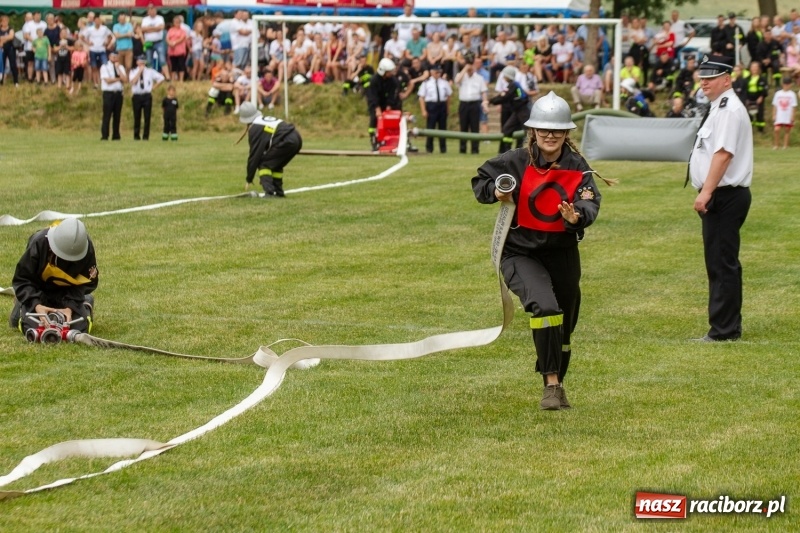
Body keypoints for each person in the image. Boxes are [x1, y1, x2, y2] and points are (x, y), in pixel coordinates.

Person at [472, 92, 608, 410]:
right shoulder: (514, 161)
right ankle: (551, 385)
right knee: (546, 310)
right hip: (519, 253)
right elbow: (481, 181)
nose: (550, 135)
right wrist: (496, 191)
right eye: (543, 129)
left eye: (557, 130)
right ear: (533, 131)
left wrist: (577, 216)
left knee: (565, 326)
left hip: (561, 253)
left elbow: (589, 199)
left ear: (566, 133)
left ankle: (558, 381)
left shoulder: (577, 168)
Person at [687, 55, 752, 342]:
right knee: (718, 261)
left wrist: (707, 191)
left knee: (721, 262)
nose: (704, 82)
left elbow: (723, 154)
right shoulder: (718, 107)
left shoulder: (727, 109)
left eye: (711, 77)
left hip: (724, 195)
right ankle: (725, 326)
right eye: (702, 77)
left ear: (727, 79)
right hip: (722, 195)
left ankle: (724, 330)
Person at [8, 218, 98, 336]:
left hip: (67, 295)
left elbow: (88, 282)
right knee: (30, 327)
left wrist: (70, 307)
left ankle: (85, 301)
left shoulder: (85, 249)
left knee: (79, 328)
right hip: (38, 292)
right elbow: (22, 280)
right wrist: (36, 304)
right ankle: (22, 303)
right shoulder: (38, 243)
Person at [239, 101, 302, 198]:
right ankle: (279, 192)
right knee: (276, 165)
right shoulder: (264, 121)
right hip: (296, 137)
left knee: (264, 164)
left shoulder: (255, 128)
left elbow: (255, 155)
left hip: (286, 141)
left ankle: (270, 193)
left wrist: (249, 178)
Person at [454, 51, 489, 154]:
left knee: (475, 127)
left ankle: (475, 149)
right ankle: (463, 149)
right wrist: (465, 67)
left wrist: (485, 103)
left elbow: (483, 92)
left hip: (474, 104)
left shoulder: (479, 78)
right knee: (463, 127)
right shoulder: (461, 76)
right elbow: (457, 81)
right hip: (464, 104)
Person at [489, 66, 529, 153]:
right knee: (507, 129)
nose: (503, 77)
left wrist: (490, 101)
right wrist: (491, 101)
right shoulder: (513, 85)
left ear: (508, 76)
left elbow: (504, 97)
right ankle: (508, 151)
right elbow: (502, 96)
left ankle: (526, 150)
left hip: (522, 111)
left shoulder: (513, 85)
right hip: (517, 111)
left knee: (528, 131)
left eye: (504, 75)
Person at [366, 57, 402, 152]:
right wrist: (377, 109)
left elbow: (392, 95)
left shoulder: (393, 81)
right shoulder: (374, 80)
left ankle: (391, 141)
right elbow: (372, 96)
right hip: (376, 103)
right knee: (374, 120)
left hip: (389, 103)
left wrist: (388, 107)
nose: (391, 73)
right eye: (389, 71)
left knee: (392, 121)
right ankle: (374, 140)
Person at [129, 54, 164, 141]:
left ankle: (145, 136)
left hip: (146, 95)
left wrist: (153, 87)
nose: (141, 64)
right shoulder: (133, 71)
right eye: (139, 62)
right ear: (137, 62)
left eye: (143, 62)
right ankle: (136, 135)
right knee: (137, 116)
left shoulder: (150, 71)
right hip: (137, 95)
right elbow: (133, 82)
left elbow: (161, 78)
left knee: (147, 117)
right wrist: (139, 72)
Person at [418, 64, 451, 154]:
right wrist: (423, 110)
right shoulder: (426, 83)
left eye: (439, 72)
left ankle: (443, 149)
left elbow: (448, 96)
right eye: (436, 72)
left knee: (442, 128)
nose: (438, 74)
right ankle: (429, 148)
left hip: (442, 105)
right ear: (431, 72)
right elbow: (421, 98)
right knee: (430, 128)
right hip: (431, 106)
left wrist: (447, 108)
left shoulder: (444, 82)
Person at [100, 50, 126, 141]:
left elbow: (125, 79)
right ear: (109, 57)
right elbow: (107, 80)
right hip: (108, 93)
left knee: (117, 115)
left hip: (118, 93)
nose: (115, 58)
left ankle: (116, 135)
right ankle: (105, 135)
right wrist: (118, 79)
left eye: (116, 56)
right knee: (107, 114)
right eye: (113, 56)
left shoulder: (121, 67)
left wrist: (118, 69)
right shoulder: (105, 67)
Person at [771, 78, 797, 149]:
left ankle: (785, 145)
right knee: (777, 129)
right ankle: (776, 145)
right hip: (779, 114)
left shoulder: (792, 94)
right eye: (785, 84)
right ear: (782, 84)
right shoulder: (778, 93)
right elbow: (775, 105)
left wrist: (793, 116)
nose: (786, 86)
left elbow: (794, 106)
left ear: (790, 85)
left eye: (788, 84)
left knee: (787, 130)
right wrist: (774, 114)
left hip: (788, 114)